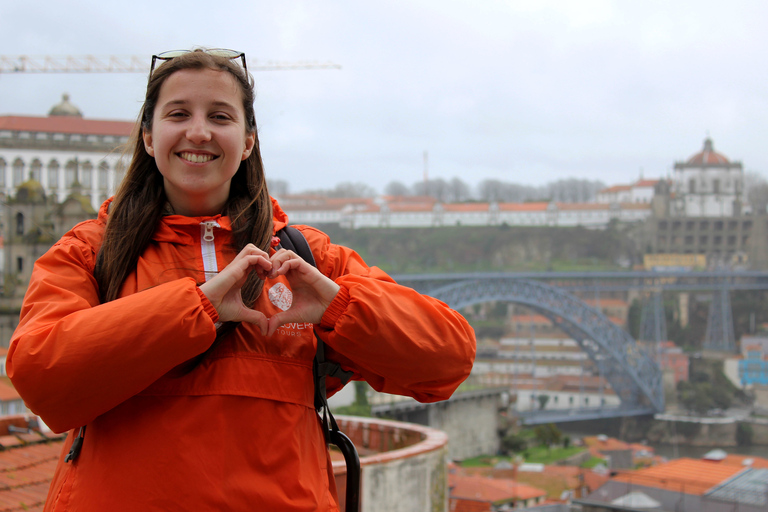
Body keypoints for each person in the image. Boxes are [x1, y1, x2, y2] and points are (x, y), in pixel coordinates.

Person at [7, 49, 476, 511]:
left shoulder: (306, 256)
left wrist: (337, 305)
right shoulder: (89, 253)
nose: (198, 131)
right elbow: (41, 377)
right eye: (178, 113)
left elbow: (448, 359)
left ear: (248, 141)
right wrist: (199, 308)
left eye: (220, 116)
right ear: (148, 136)